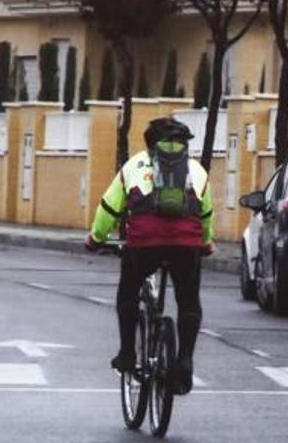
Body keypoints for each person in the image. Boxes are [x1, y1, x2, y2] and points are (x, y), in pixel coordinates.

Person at [86, 117, 214, 395]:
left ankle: (128, 353)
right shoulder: (196, 170)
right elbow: (205, 214)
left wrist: (96, 238)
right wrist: (205, 243)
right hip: (185, 246)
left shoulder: (134, 165)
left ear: (149, 142)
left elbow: (109, 207)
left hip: (144, 244)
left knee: (128, 292)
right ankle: (185, 360)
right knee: (189, 301)